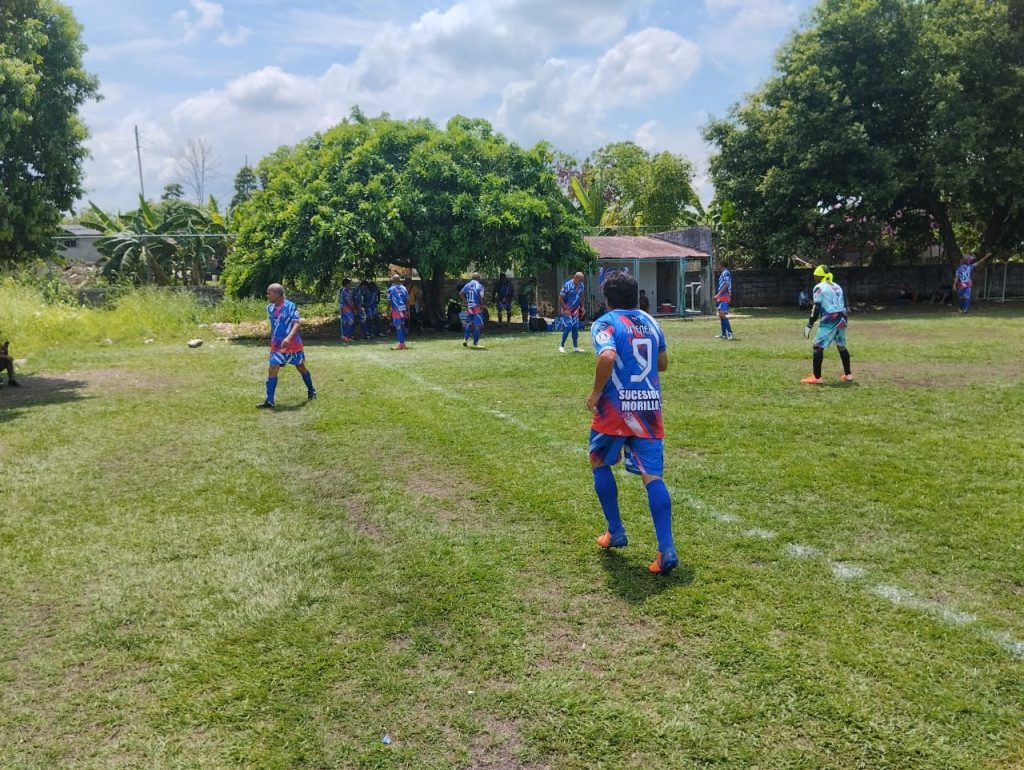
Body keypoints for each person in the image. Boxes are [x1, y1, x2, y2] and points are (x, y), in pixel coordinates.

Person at [586, 271, 677, 575]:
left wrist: (596, 392)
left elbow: (607, 356)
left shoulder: (606, 323)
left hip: (615, 409)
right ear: (636, 295)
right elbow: (662, 364)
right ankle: (666, 549)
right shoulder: (651, 321)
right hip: (648, 409)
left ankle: (615, 531)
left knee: (599, 461)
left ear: (607, 299)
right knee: (653, 477)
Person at [258, 283, 315, 408]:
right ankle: (270, 401)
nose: (267, 295)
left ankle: (311, 390)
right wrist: (272, 339)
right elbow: (274, 326)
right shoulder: (270, 308)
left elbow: (296, 324)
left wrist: (288, 338)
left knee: (300, 367)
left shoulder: (290, 306)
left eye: (269, 293)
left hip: (293, 344)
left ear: (277, 294)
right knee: (273, 369)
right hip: (277, 346)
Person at [801, 265, 853, 384]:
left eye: (816, 276)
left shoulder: (819, 287)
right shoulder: (837, 286)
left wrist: (810, 324)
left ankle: (817, 377)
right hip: (843, 316)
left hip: (831, 317)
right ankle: (848, 374)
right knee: (841, 344)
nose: (815, 279)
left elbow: (817, 307)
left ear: (820, 277)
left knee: (817, 346)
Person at [559, 271, 586, 353]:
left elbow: (581, 296)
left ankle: (575, 347)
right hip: (567, 309)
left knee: (575, 327)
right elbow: (560, 298)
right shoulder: (567, 285)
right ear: (575, 278)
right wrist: (565, 309)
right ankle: (561, 346)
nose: (580, 282)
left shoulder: (581, 285)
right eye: (579, 280)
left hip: (575, 310)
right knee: (568, 327)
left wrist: (582, 307)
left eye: (581, 280)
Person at [460, 272, 486, 348]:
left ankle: (465, 339)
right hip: (476, 307)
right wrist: (482, 305)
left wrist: (465, 302)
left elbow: (461, 293)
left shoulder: (467, 285)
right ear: (479, 278)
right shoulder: (480, 286)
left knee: (470, 324)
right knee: (478, 325)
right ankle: (475, 343)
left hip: (469, 307)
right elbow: (482, 297)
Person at [386, 274, 410, 349]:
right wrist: (408, 311)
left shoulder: (390, 289)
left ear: (393, 280)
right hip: (403, 309)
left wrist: (387, 311)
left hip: (396, 310)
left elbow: (389, 302)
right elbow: (407, 301)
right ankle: (403, 343)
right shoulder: (404, 288)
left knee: (398, 326)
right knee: (402, 325)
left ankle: (401, 344)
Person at [714, 261, 734, 339]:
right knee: (721, 315)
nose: (717, 266)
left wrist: (718, 295)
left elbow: (726, 284)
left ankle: (730, 333)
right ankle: (723, 334)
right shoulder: (723, 273)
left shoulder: (726, 273)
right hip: (721, 296)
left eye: (718, 265)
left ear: (721, 265)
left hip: (725, 296)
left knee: (722, 314)